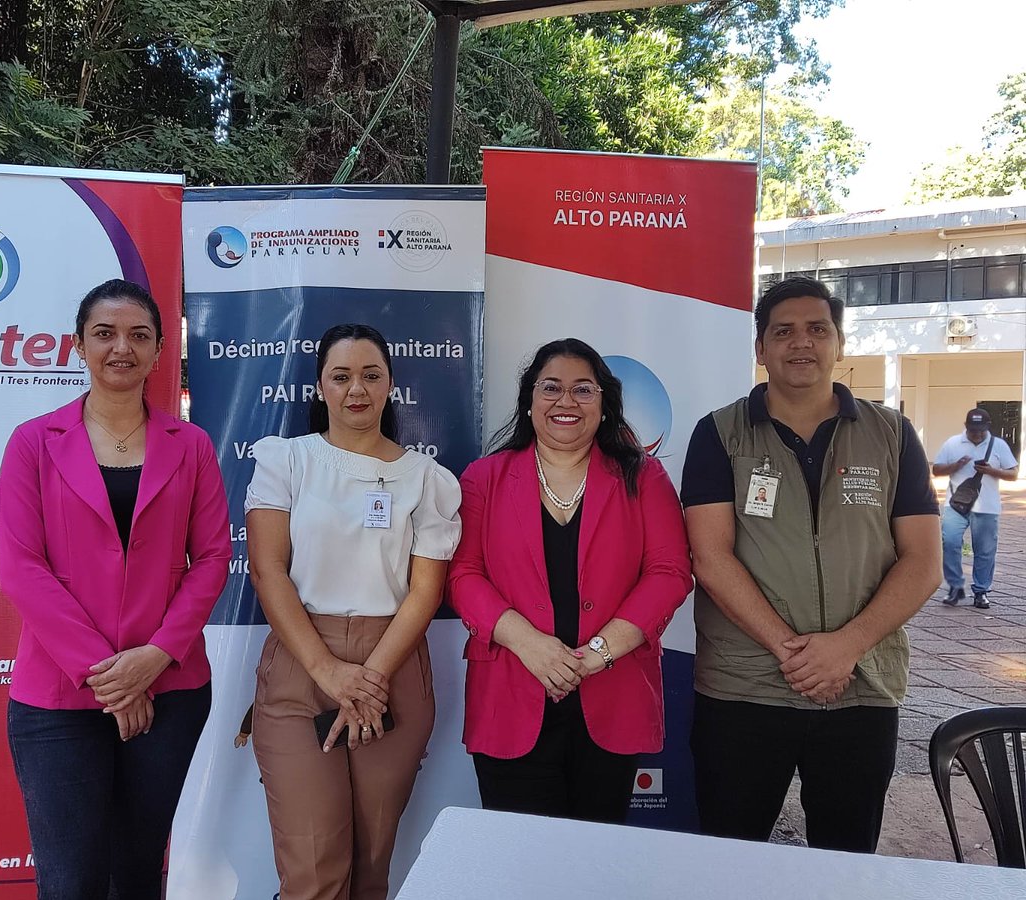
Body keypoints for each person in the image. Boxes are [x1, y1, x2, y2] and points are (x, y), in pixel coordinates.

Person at [681, 275, 941, 853]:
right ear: (760, 348)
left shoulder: (892, 434)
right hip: (744, 687)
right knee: (728, 857)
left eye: (817, 329)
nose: (802, 343)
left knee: (846, 862)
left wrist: (845, 647)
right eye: (784, 331)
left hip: (861, 684)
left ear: (840, 344)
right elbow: (710, 556)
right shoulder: (719, 434)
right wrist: (791, 652)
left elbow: (923, 563)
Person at [0, 279, 232, 899]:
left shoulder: (194, 445)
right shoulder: (32, 443)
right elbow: (21, 568)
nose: (121, 347)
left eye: (139, 335)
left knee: (137, 874)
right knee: (70, 881)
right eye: (105, 333)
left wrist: (152, 660)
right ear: (78, 346)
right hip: (57, 698)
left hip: (171, 690)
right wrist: (113, 677)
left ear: (159, 352)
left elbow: (212, 558)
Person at [245, 323, 461, 900]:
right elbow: (269, 573)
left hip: (392, 670)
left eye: (371, 375)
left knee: (370, 868)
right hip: (300, 664)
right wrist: (329, 671)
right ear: (320, 386)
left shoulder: (427, 480)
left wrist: (370, 678)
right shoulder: (286, 461)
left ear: (392, 384)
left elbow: (425, 592)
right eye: (340, 377)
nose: (356, 389)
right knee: (315, 872)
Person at [448, 338, 692, 824]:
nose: (566, 401)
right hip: (510, 695)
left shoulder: (644, 477)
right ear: (529, 401)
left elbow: (669, 573)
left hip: (613, 691)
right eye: (551, 388)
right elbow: (462, 574)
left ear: (604, 405)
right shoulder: (484, 478)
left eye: (584, 390)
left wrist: (597, 654)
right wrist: (531, 645)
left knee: (592, 863)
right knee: (519, 862)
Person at [933, 408, 1019, 609]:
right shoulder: (953, 443)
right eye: (973, 430)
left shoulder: (998, 445)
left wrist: (991, 471)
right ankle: (955, 587)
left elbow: (1013, 473)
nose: (977, 434)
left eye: (980, 430)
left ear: (987, 427)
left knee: (985, 550)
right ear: (966, 426)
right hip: (956, 505)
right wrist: (955, 466)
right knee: (950, 543)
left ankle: (981, 591)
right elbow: (936, 470)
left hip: (987, 507)